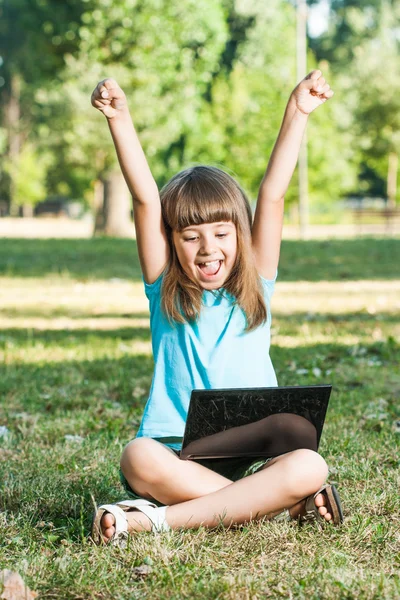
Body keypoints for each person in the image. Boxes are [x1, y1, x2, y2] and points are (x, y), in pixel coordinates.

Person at [90, 70, 343, 546]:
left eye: (222, 234)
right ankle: (275, 505)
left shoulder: (257, 284)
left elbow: (272, 193)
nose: (208, 248)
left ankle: (151, 520)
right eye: (191, 236)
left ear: (241, 237)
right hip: (177, 460)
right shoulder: (164, 287)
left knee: (310, 463)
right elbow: (146, 199)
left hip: (256, 453)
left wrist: (298, 112)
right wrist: (119, 119)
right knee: (136, 456)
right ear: (173, 242)